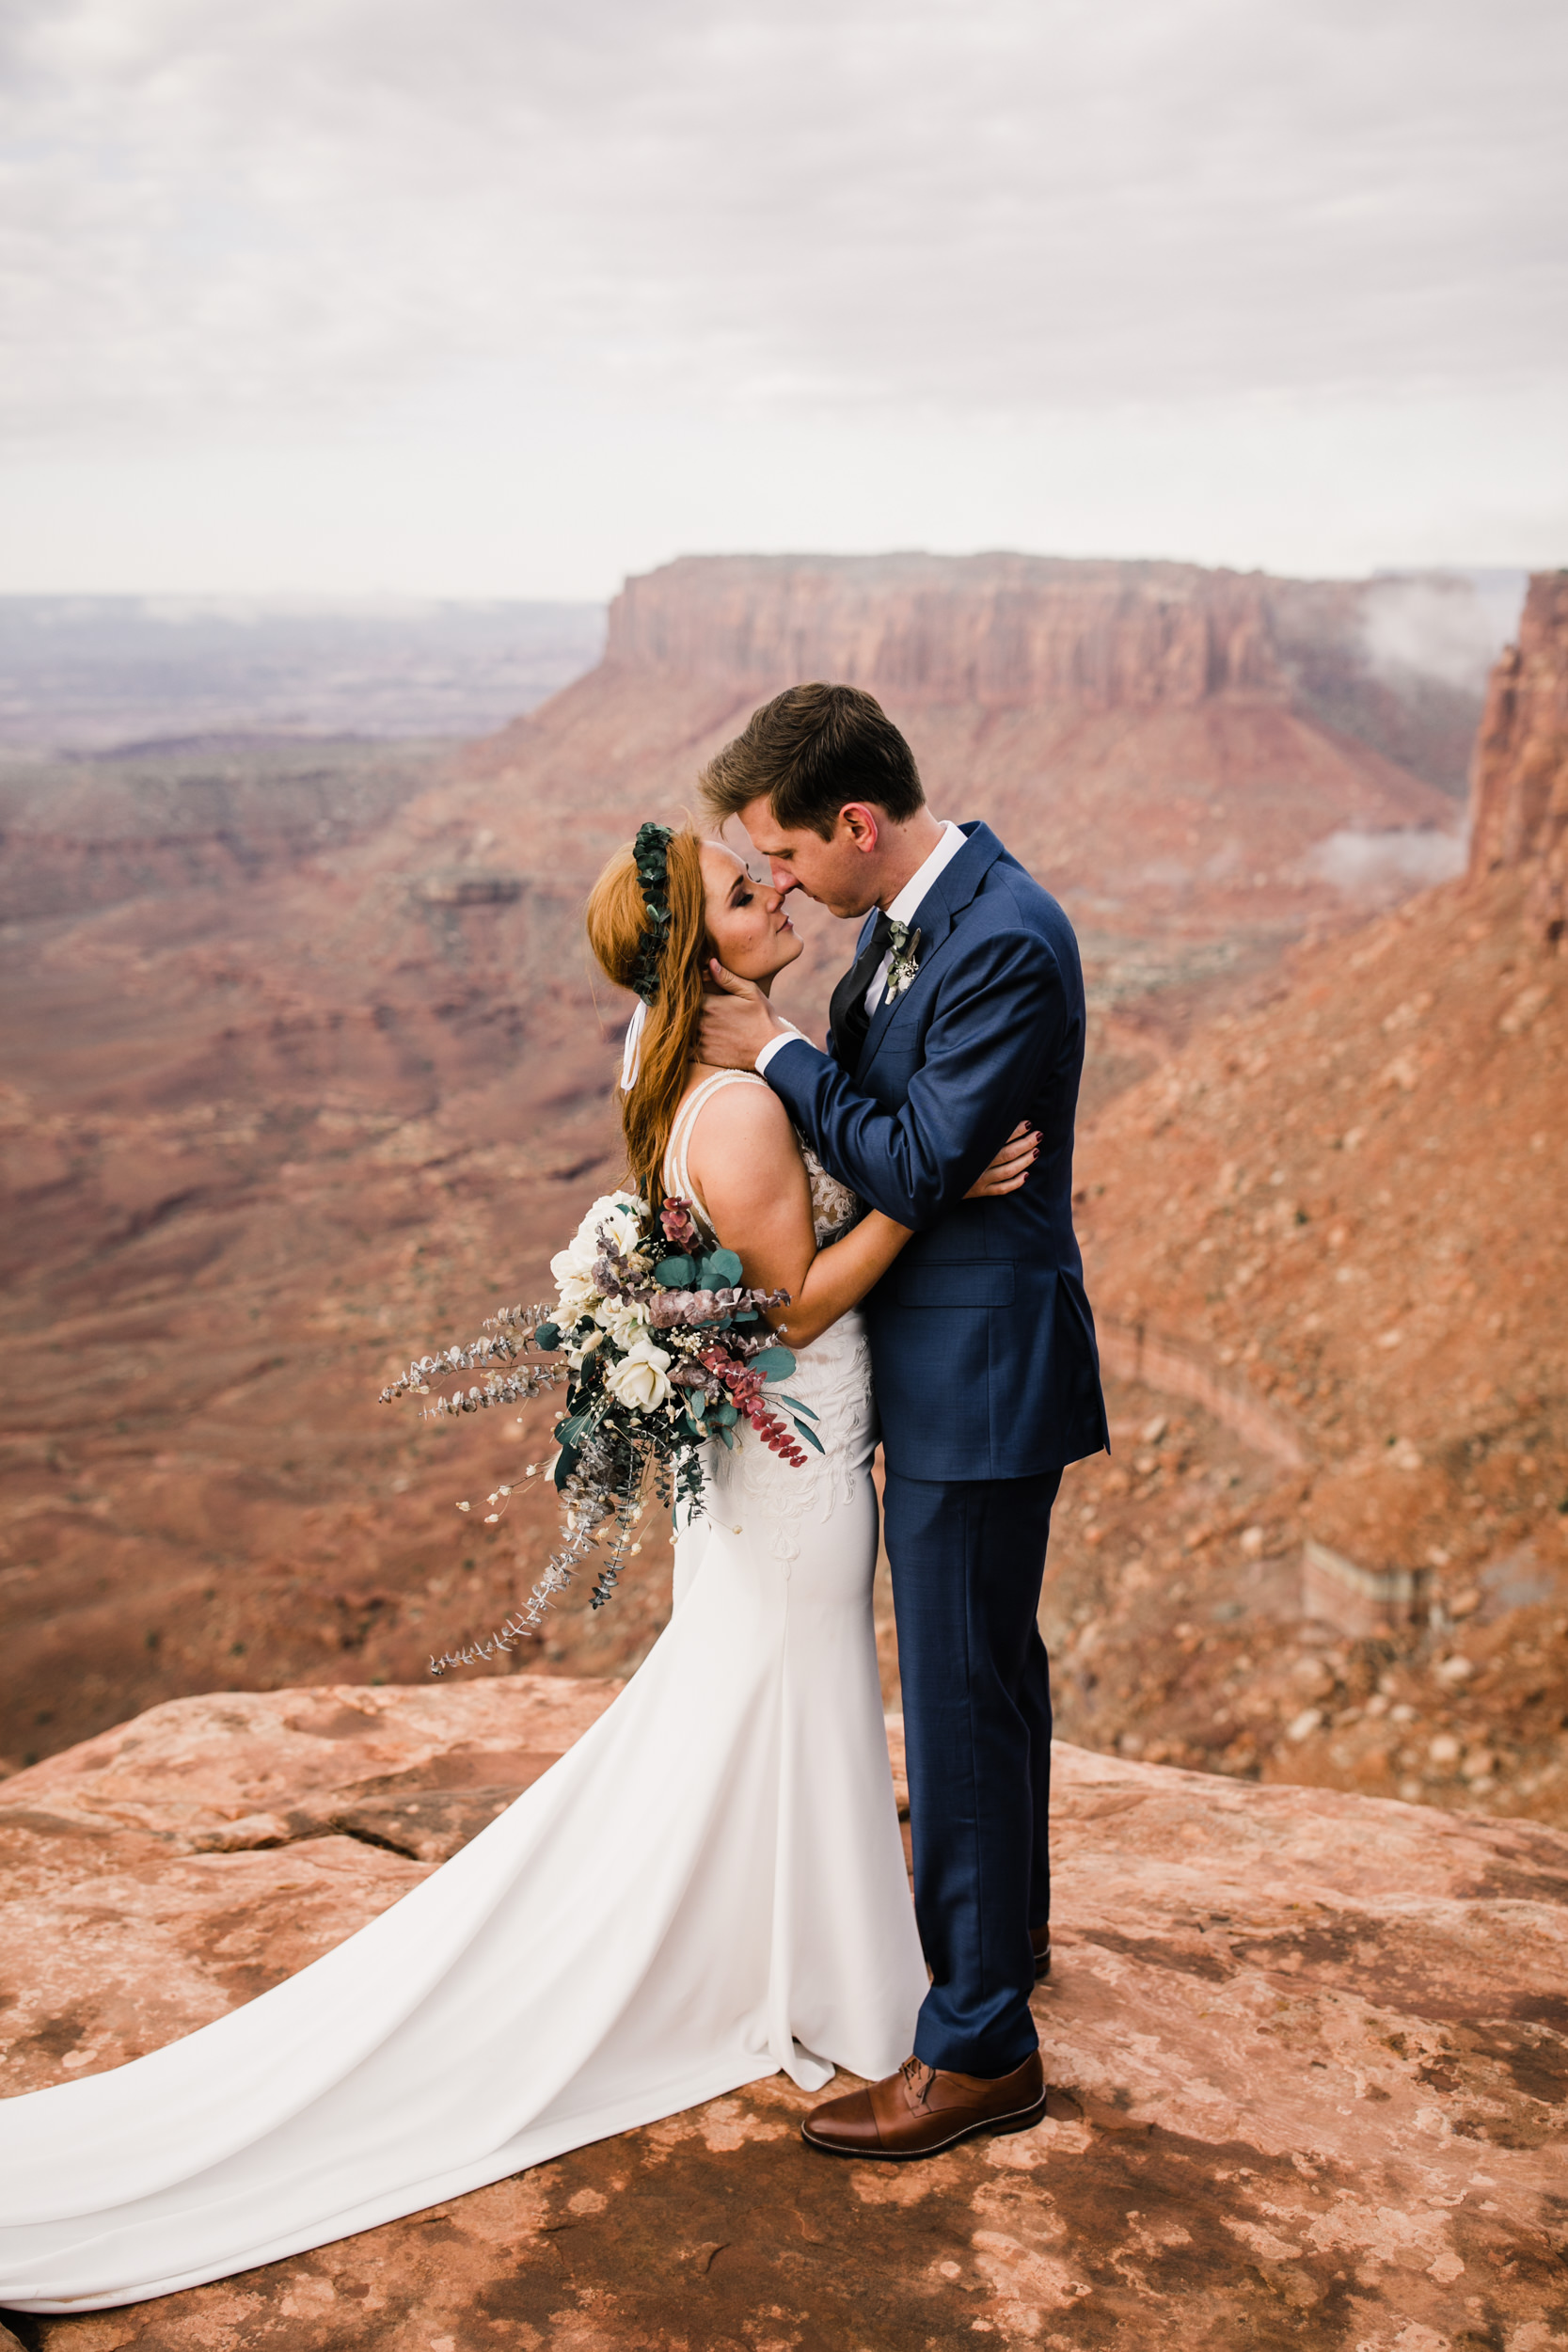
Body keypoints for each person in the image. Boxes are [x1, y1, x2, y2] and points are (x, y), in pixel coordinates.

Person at [0, 819, 1034, 2313]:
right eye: (751, 895)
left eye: (772, 872)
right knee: (799, 1680)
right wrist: (932, 1190)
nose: (782, 893)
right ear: (705, 957)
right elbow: (797, 1308)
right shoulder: (738, 1108)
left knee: (774, 1688)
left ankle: (801, 1938)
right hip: (799, 1450)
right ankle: (833, 1978)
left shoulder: (674, 1062)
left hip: (768, 1465)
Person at [697, 683, 1108, 2161]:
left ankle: (981, 2048)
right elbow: (910, 1144)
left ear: (856, 823)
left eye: (788, 856)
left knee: (956, 1694)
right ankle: (1012, 1944)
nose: (785, 884)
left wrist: (779, 1051)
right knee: (986, 1675)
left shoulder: (1002, 934)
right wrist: (898, 1141)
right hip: (941, 1360)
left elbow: (917, 1152)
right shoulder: (912, 917)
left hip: (979, 1375)